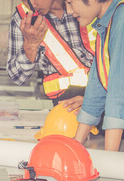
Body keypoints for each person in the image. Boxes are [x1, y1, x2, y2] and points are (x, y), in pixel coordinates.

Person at [7, 0, 96, 108]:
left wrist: (96, 100)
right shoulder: (23, 18)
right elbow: (18, 77)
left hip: (107, 98)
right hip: (66, 106)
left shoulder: (91, 4)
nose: (32, 5)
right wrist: (30, 45)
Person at [66, 0, 124, 151]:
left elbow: (118, 93)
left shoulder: (122, 19)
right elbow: (96, 85)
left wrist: (109, 157)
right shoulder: (106, 23)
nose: (69, 11)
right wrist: (76, 145)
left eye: (70, 2)